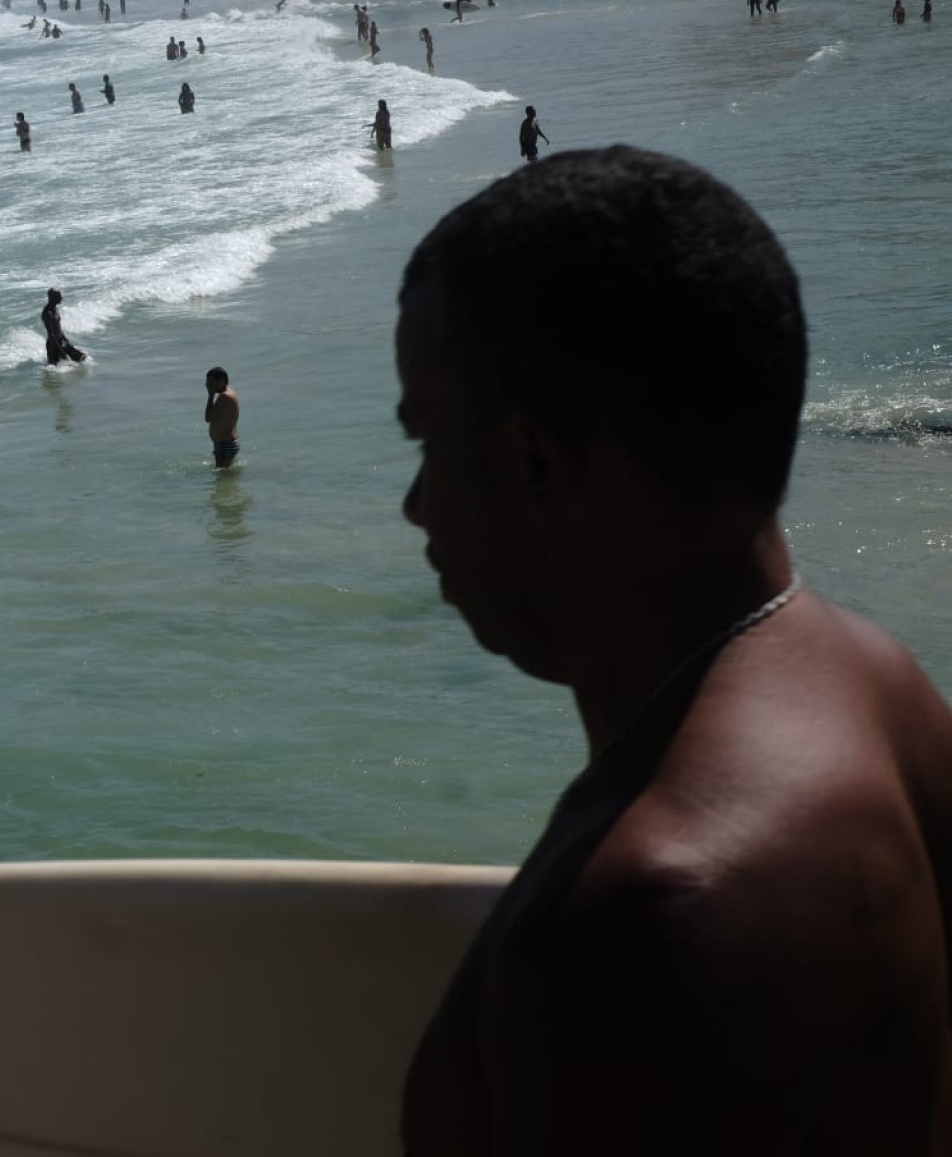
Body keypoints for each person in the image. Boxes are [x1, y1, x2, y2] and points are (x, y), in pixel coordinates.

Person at [396, 146, 952, 1155]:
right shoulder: (884, 687)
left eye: (426, 443)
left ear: (532, 462)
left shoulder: (648, 916)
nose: (416, 506)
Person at [41, 288, 87, 365]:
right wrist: (61, 351)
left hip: (61, 340)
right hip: (53, 345)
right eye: (59, 296)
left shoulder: (56, 308)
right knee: (53, 369)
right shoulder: (47, 313)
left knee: (81, 357)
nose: (62, 298)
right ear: (52, 298)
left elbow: (58, 327)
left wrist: (65, 339)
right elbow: (51, 334)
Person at [204, 367, 239, 467]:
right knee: (225, 476)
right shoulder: (229, 392)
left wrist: (210, 396)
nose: (207, 386)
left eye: (211, 383)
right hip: (226, 443)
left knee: (223, 476)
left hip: (225, 444)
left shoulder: (224, 397)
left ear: (221, 381)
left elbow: (208, 417)